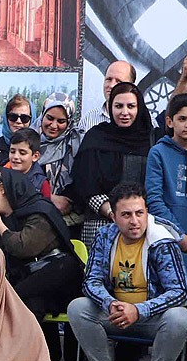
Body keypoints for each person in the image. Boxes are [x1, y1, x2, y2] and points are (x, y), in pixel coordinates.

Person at [69, 182, 187, 361]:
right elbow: (91, 281)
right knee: (78, 307)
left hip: (151, 319)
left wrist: (139, 310)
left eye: (139, 213)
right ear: (114, 217)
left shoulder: (162, 239)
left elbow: (180, 291)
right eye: (126, 215)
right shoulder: (105, 236)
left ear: (147, 213)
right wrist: (110, 303)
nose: (134, 221)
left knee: (179, 318)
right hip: (115, 313)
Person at [0, 167, 80, 321]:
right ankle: (40, 345)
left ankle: (9, 297)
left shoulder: (39, 210)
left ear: (2, 190)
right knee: (31, 306)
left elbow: (24, 248)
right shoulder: (0, 220)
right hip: (30, 281)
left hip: (58, 277)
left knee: (19, 294)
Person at [67, 82, 156, 247]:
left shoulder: (151, 139)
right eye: (118, 106)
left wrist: (133, 217)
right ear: (110, 108)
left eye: (131, 106)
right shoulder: (96, 136)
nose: (124, 112)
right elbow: (85, 183)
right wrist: (113, 213)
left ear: (139, 108)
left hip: (140, 226)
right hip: (100, 223)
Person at [145, 92, 187, 251]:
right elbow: (154, 199)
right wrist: (178, 234)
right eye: (182, 119)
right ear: (170, 121)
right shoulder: (158, 152)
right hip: (166, 237)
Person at [36, 92, 82, 220]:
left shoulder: (76, 143)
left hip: (67, 219)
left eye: (61, 121)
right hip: (30, 216)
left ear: (69, 121)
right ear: (42, 115)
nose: (54, 125)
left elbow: (81, 183)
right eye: (49, 118)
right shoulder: (28, 140)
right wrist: (48, 197)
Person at [0, 94, 32, 174]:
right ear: (6, 118)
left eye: (24, 118)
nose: (18, 121)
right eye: (13, 117)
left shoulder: (37, 148)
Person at [87, 60, 136, 129]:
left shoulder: (146, 122)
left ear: (131, 86)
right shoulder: (88, 120)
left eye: (118, 81)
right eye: (109, 79)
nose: (111, 85)